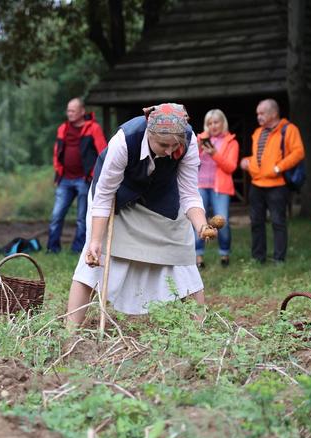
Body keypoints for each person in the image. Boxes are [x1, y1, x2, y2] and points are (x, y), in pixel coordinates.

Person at [65, 103, 214, 326]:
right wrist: (95, 241)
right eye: (163, 144)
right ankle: (69, 332)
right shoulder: (125, 140)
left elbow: (190, 193)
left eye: (175, 145)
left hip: (160, 199)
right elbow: (104, 195)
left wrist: (201, 225)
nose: (170, 151)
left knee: (183, 259)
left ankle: (200, 333)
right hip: (118, 199)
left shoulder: (189, 141)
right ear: (149, 133)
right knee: (95, 260)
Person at [240, 99, 305, 264]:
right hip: (257, 184)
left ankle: (279, 259)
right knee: (256, 223)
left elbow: (298, 152)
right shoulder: (258, 132)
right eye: (257, 114)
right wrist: (247, 162)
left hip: (277, 185)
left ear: (274, 113)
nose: (258, 117)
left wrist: (279, 168)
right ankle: (258, 257)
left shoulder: (289, 129)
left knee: (278, 222)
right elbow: (260, 158)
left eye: (262, 113)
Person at [47, 98, 107, 253]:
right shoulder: (63, 128)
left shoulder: (93, 128)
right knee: (56, 215)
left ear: (82, 111)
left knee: (82, 218)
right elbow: (56, 151)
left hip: (84, 179)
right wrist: (58, 170)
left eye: (73, 110)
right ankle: (52, 248)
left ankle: (77, 249)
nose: (70, 113)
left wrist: (94, 174)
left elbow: (103, 152)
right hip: (65, 179)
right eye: (68, 110)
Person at [195, 109, 239, 268]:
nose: (213, 126)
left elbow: (231, 167)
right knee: (199, 222)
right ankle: (198, 257)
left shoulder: (231, 142)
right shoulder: (200, 139)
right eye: (209, 123)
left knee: (222, 222)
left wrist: (214, 153)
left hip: (220, 187)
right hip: (200, 185)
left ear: (223, 123)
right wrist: (199, 147)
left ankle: (224, 254)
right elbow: (190, 162)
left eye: (216, 122)